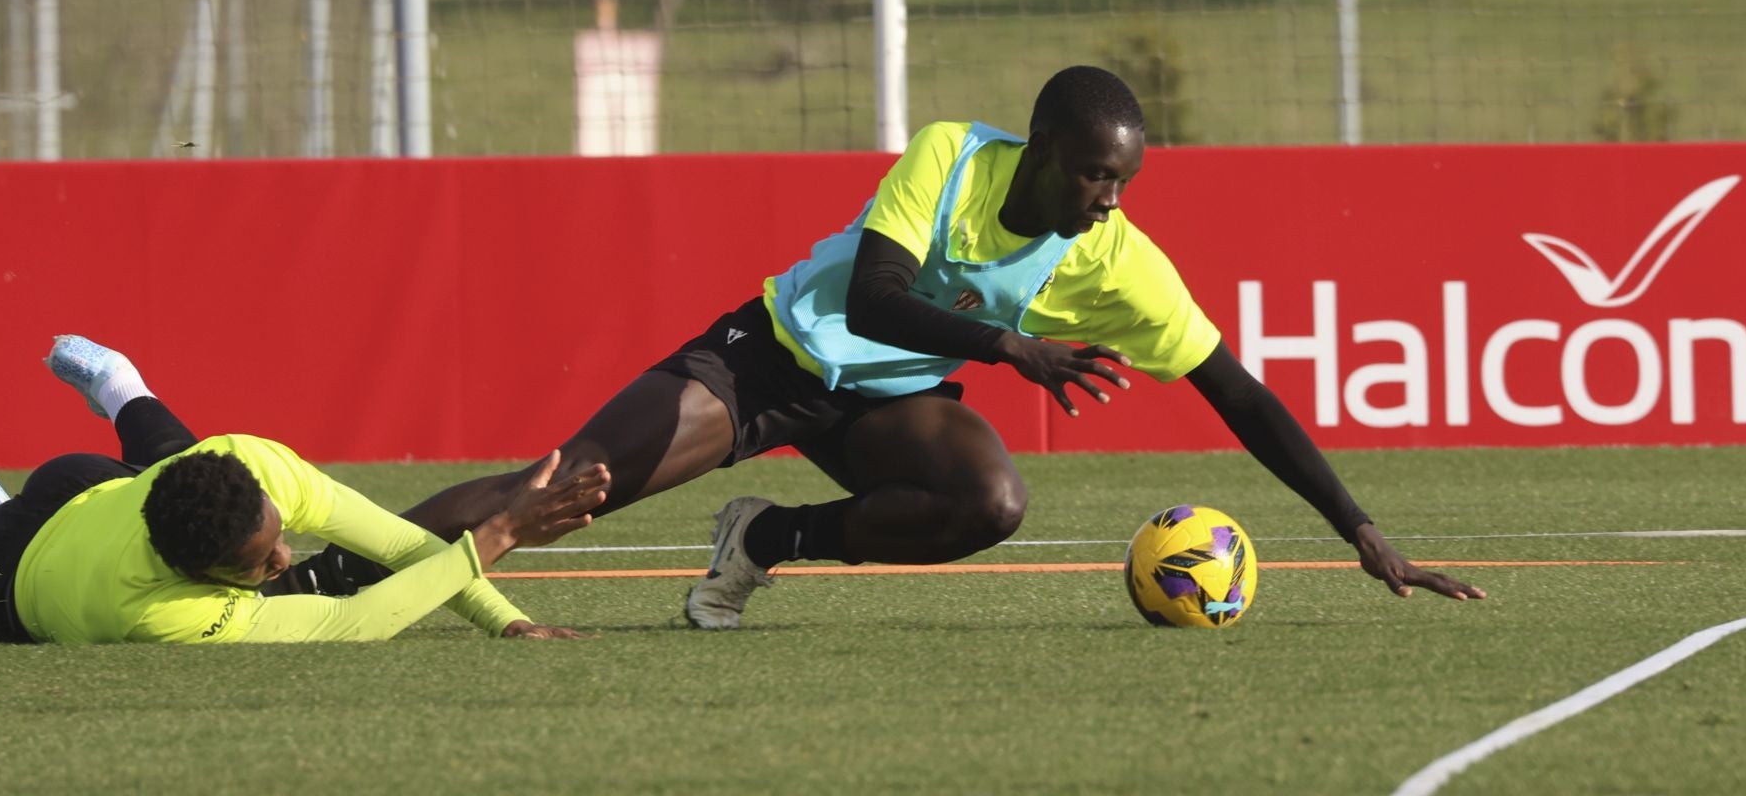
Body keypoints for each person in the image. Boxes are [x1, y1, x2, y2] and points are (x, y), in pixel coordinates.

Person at [397, 65, 1488, 630]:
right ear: (1044, 147)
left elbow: (1236, 390)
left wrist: (1361, 527)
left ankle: (765, 540)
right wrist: (1010, 346)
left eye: (1125, 184)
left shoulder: (1116, 259)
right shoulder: (953, 157)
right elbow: (873, 297)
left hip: (883, 407)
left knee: (990, 501)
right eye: (1094, 176)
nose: (1108, 201)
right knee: (565, 484)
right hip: (769, 359)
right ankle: (334, 567)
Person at [0, 335, 609, 645]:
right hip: (16, 564)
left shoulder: (257, 467)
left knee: (185, 462)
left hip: (92, 485)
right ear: (192, 573)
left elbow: (405, 545)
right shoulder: (157, 616)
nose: (285, 558)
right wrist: (501, 533)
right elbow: (355, 622)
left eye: (276, 536)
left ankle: (120, 384)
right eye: (258, 563)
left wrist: (507, 619)